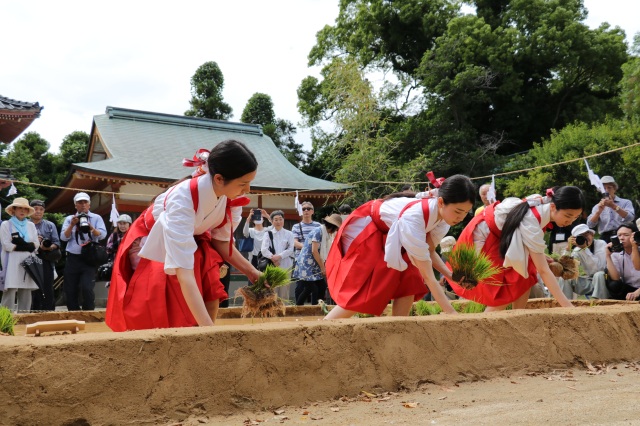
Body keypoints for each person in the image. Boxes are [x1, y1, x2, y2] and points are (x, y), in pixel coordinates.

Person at [106, 140, 261, 331]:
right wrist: (209, 333)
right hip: (151, 240)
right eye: (243, 184)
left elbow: (221, 242)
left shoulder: (233, 198)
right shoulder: (182, 201)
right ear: (219, 179)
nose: (248, 190)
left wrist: (253, 272)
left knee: (210, 270)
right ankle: (194, 335)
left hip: (195, 236)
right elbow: (184, 273)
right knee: (168, 293)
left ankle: (205, 331)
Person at [324, 175, 476, 319]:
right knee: (367, 291)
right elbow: (428, 276)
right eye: (457, 211)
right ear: (441, 202)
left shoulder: (444, 219)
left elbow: (429, 251)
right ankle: (325, 326)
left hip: (393, 235)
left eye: (465, 213)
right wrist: (451, 313)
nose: (461, 218)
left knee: (410, 281)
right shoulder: (414, 218)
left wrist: (451, 276)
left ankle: (398, 330)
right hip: (370, 231)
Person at [448, 186, 585, 311]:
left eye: (575, 217)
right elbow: (543, 270)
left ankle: (517, 315)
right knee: (509, 286)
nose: (571, 221)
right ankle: (487, 323)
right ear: (553, 207)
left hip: (499, 237)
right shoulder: (531, 221)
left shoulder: (540, 204)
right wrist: (568, 307)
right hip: (484, 239)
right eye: (568, 215)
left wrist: (545, 258)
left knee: (524, 277)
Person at [60, 192, 108, 311]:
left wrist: (91, 227)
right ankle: (73, 313)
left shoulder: (96, 218)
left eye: (85, 202)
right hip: (73, 257)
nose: (83, 205)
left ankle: (88, 312)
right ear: (75, 205)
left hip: (89, 258)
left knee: (87, 287)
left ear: (89, 205)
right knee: (70, 288)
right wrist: (72, 225)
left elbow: (102, 235)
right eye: (79, 203)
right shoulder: (70, 219)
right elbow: (63, 237)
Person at [0, 198, 40, 312]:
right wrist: (27, 246)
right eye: (19, 208)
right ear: (14, 210)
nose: (22, 211)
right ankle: (5, 320)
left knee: (26, 291)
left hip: (28, 260)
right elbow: (6, 245)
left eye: (25, 209)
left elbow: (36, 244)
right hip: (11, 260)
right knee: (10, 290)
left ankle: (24, 319)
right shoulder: (6, 224)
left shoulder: (31, 225)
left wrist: (22, 245)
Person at [293, 214, 342, 306]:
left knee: (322, 286)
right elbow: (314, 251)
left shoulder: (326, 234)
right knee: (312, 288)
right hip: (306, 264)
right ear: (332, 227)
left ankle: (317, 307)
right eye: (336, 229)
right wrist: (323, 268)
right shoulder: (318, 232)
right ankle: (301, 307)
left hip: (315, 264)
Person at [558, 224, 607, 299]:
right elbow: (565, 268)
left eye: (586, 235)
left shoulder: (601, 244)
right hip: (588, 282)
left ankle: (599, 304)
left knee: (599, 274)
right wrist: (568, 249)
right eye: (581, 237)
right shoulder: (577, 250)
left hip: (603, 280)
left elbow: (599, 268)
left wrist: (585, 249)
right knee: (565, 277)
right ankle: (566, 305)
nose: (585, 239)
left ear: (592, 234)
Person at [594, 223, 640, 300]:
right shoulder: (616, 254)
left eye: (626, 235)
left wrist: (634, 246)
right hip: (629, 288)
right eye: (619, 235)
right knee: (614, 285)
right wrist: (608, 256)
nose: (622, 238)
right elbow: (615, 278)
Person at [29, 199, 61, 311]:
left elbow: (57, 242)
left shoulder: (50, 225)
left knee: (48, 287)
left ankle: (50, 313)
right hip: (29, 259)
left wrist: (48, 247)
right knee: (32, 288)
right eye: (35, 209)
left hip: (46, 258)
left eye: (41, 209)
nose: (38, 211)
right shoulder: (25, 224)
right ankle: (33, 312)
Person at [586, 176, 634, 242]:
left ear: (614, 188)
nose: (606, 190)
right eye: (604, 188)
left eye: (609, 187)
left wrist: (613, 206)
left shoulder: (625, 202)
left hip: (622, 235)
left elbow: (630, 217)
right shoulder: (597, 207)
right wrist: (598, 212)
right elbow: (590, 225)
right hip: (605, 237)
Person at [260, 210, 295, 300]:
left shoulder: (289, 234)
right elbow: (264, 249)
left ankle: (283, 311)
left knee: (284, 290)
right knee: (272, 290)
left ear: (283, 220)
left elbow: (291, 249)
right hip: (272, 266)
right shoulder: (267, 234)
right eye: (276, 219)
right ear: (271, 221)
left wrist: (279, 256)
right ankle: (272, 312)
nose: (278, 222)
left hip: (286, 265)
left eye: (280, 219)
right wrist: (273, 258)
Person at [292, 201, 321, 302]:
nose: (306, 211)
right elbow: (295, 242)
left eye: (308, 208)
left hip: (315, 257)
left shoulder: (318, 226)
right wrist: (308, 248)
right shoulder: (296, 226)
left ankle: (315, 306)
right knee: (301, 284)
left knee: (316, 283)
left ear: (312, 211)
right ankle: (298, 307)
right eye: (304, 209)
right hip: (301, 259)